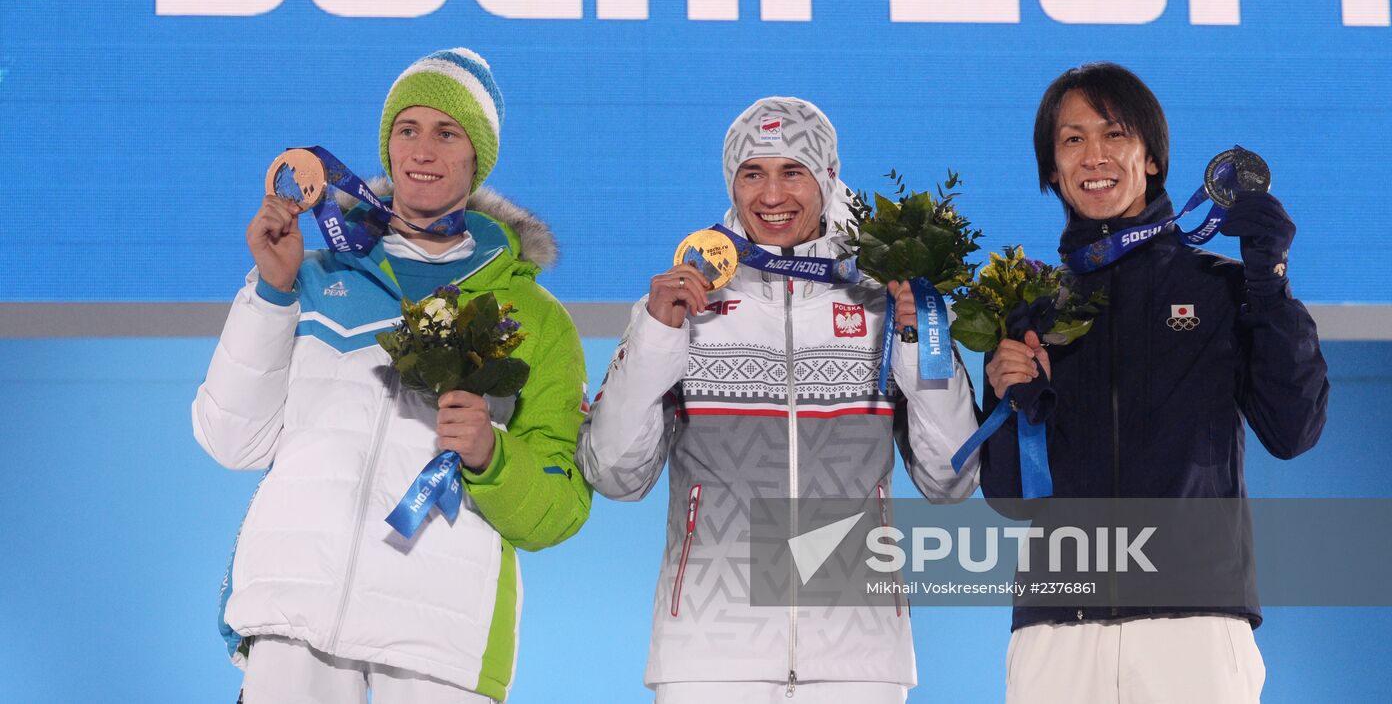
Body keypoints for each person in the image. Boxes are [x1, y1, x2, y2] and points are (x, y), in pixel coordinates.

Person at [193, 48, 591, 703]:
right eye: (408, 130)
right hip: (296, 616)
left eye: (447, 132)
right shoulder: (316, 275)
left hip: (439, 640)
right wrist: (271, 290)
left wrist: (493, 456)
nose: (423, 150)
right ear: (387, 145)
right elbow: (231, 439)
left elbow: (558, 509)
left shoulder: (535, 318)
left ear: (477, 156)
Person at [576, 96, 981, 704]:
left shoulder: (887, 299)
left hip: (860, 661)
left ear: (828, 178)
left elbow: (953, 480)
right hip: (706, 660)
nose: (771, 195)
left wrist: (915, 344)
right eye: (752, 173)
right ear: (731, 185)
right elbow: (612, 475)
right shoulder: (682, 302)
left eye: (792, 171)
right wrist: (657, 337)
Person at [980, 62, 1329, 703]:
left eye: (1115, 134)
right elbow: (1009, 495)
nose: (1095, 156)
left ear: (1152, 158)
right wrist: (1010, 398)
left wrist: (1272, 288)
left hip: (1193, 626)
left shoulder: (1221, 288)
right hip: (1059, 632)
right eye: (1073, 139)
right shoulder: (1032, 312)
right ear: (1052, 169)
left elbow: (1294, 430)